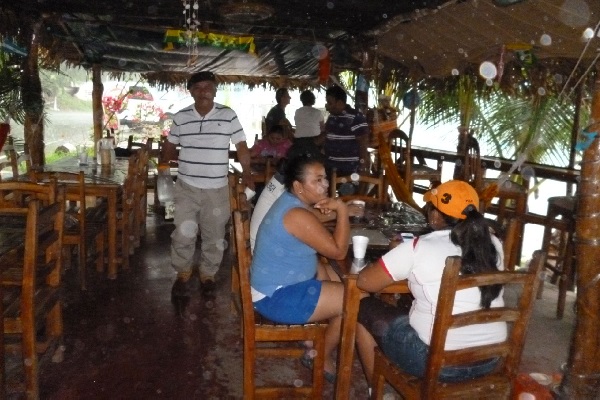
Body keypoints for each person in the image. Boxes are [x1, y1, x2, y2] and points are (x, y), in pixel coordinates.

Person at [354, 180, 506, 389]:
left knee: (363, 307)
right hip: (491, 358)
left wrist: (395, 253)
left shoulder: (419, 247)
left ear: (436, 215)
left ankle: (376, 391)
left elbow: (365, 282)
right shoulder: (493, 244)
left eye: (430, 207)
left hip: (441, 364)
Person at [250, 155, 353, 382]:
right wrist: (343, 211)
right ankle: (321, 356)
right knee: (355, 300)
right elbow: (338, 251)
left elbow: (314, 218)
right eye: (317, 180)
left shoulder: (290, 202)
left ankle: (312, 339)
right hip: (275, 297)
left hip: (272, 287)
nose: (325, 185)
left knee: (331, 275)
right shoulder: (296, 214)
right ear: (298, 186)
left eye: (324, 178)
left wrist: (337, 210)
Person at [161, 71, 253, 301]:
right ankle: (183, 273)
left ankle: (207, 275)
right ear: (191, 92)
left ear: (214, 90)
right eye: (198, 88)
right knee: (183, 234)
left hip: (217, 188)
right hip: (186, 187)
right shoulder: (181, 117)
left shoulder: (228, 115)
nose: (204, 91)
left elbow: (241, 145)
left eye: (208, 87)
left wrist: (248, 173)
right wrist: (164, 168)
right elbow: (170, 146)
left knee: (214, 236)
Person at [323, 85, 370, 176]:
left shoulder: (356, 117)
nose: (327, 106)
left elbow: (363, 143)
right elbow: (326, 136)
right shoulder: (332, 117)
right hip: (331, 168)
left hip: (349, 169)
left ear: (340, 103)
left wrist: (362, 165)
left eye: (330, 103)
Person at [293, 90, 324, 158]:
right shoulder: (318, 112)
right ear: (313, 100)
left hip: (299, 140)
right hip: (315, 140)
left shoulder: (298, 111)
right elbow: (322, 128)